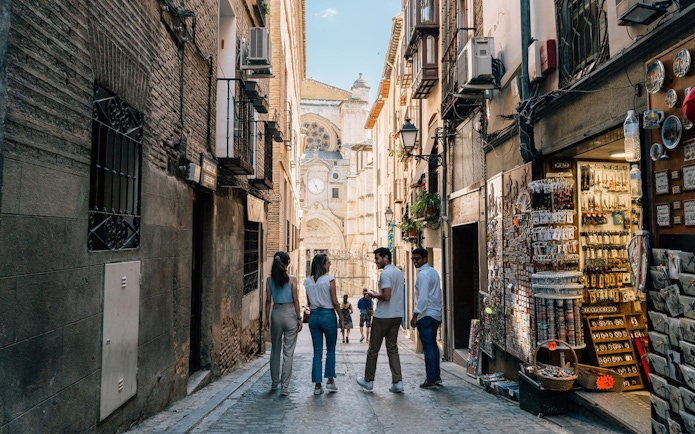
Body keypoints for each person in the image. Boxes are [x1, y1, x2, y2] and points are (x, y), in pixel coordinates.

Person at [356, 247, 405, 393]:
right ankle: (398, 382)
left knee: (373, 349)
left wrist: (372, 294)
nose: (375, 261)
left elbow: (386, 296)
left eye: (377, 258)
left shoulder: (385, 274)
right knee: (392, 349)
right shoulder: (398, 272)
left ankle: (368, 380)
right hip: (397, 315)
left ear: (385, 258)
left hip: (383, 316)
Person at [304, 254, 344, 395]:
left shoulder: (307, 282)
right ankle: (330, 381)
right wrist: (341, 318)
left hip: (314, 316)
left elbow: (309, 303)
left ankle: (317, 386)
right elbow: (335, 301)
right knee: (331, 350)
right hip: (328, 315)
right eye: (328, 262)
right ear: (323, 265)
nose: (330, 264)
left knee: (317, 352)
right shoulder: (329, 280)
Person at [263, 251, 302, 396]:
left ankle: (274, 382)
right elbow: (296, 299)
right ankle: (284, 386)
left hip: (276, 313)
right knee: (288, 352)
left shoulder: (269, 280)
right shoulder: (292, 279)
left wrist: (266, 319)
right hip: (290, 312)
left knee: (275, 350)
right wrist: (299, 317)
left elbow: (268, 301)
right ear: (288, 263)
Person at [409, 247, 443, 388]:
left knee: (428, 347)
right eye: (413, 259)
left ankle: (430, 378)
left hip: (426, 314)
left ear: (425, 259)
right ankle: (436, 376)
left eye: (417, 259)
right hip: (435, 313)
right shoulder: (433, 272)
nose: (414, 261)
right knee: (433, 346)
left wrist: (415, 315)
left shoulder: (423, 274)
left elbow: (423, 297)